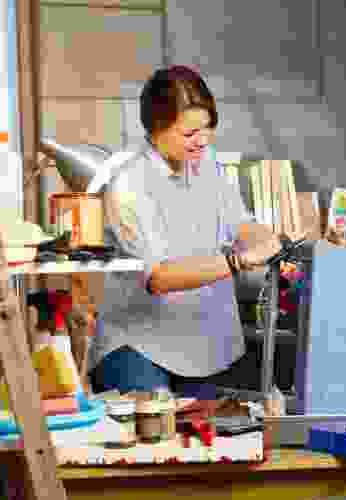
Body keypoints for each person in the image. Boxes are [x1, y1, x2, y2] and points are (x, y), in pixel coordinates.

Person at [86, 65, 287, 398]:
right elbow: (159, 277)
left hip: (204, 346)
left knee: (218, 438)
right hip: (140, 347)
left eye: (208, 127)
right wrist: (238, 262)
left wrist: (271, 242)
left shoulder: (209, 168)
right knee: (158, 438)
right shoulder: (129, 184)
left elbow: (241, 224)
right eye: (190, 133)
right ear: (156, 129)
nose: (203, 140)